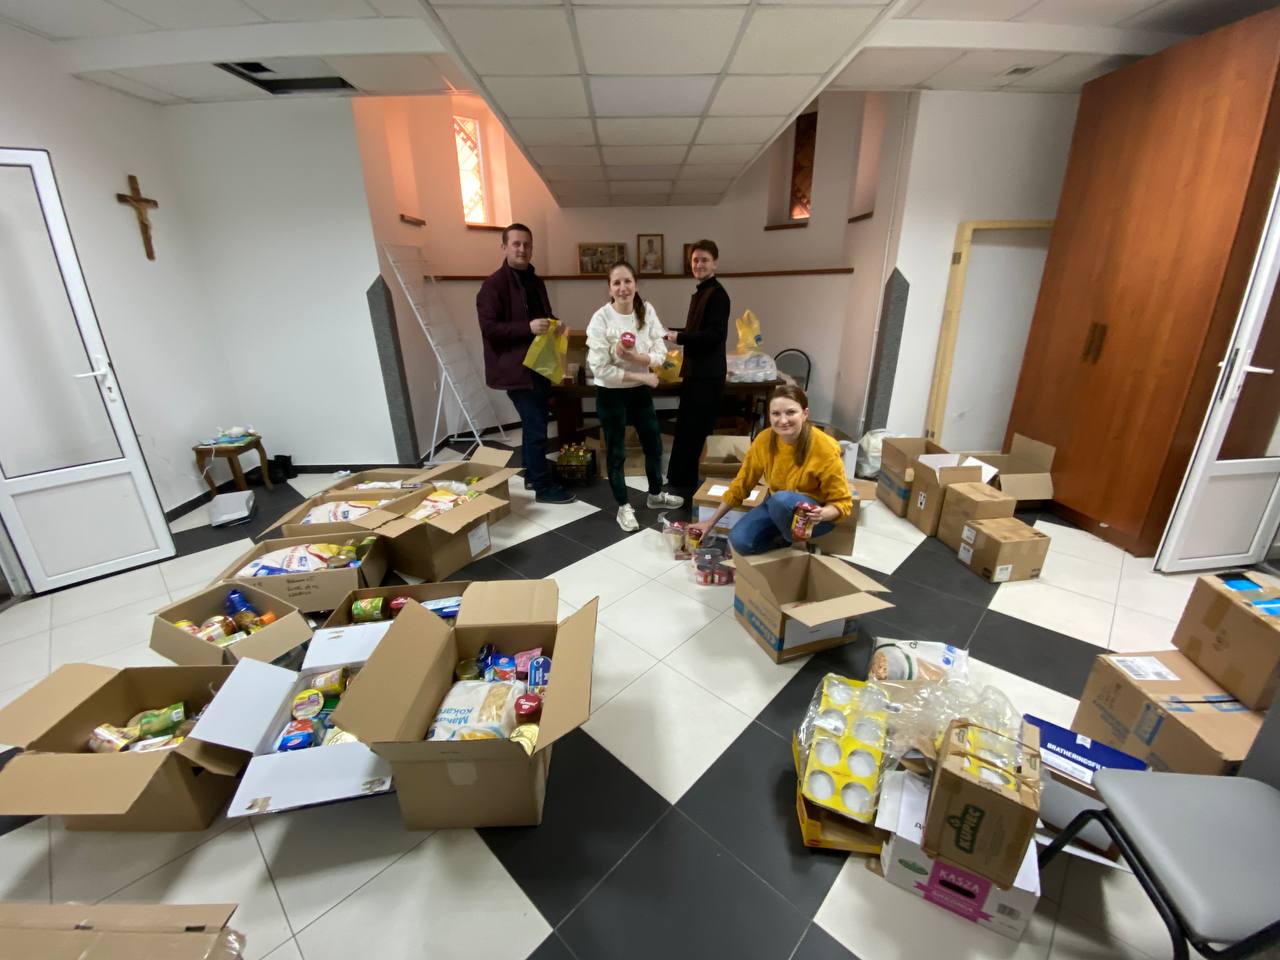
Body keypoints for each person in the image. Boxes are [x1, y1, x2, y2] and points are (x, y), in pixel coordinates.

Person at [477, 223, 575, 504]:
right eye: (516, 244)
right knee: (536, 426)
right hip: (516, 369)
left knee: (537, 422)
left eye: (527, 244)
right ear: (504, 247)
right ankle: (542, 487)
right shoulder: (493, 285)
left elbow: (542, 315)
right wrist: (528, 327)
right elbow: (489, 329)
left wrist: (555, 323)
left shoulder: (535, 281)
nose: (522, 249)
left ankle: (533, 474)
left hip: (539, 364)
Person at [690, 384, 851, 554]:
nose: (783, 420)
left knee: (781, 500)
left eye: (790, 412)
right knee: (739, 541)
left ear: (805, 414)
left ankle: (799, 544)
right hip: (777, 507)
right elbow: (741, 484)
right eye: (776, 413)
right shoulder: (764, 440)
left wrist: (822, 514)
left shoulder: (825, 447)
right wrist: (710, 522)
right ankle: (782, 544)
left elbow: (843, 503)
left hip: (815, 517)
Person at [587, 262, 684, 531]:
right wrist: (642, 376)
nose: (623, 288)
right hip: (611, 393)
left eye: (627, 281)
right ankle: (623, 506)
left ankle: (655, 494)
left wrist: (635, 357)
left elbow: (660, 353)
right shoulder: (601, 319)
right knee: (616, 450)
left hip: (639, 392)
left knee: (653, 443)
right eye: (616, 283)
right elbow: (600, 370)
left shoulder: (646, 311)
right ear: (609, 289)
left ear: (636, 284)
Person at [664, 239, 729, 504]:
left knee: (696, 431)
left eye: (704, 260)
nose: (699, 264)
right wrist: (673, 332)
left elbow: (714, 336)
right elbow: (696, 330)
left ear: (715, 263)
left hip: (708, 375)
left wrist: (679, 337)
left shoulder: (718, 295)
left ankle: (689, 487)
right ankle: (681, 481)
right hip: (696, 373)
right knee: (687, 429)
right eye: (695, 260)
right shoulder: (702, 292)